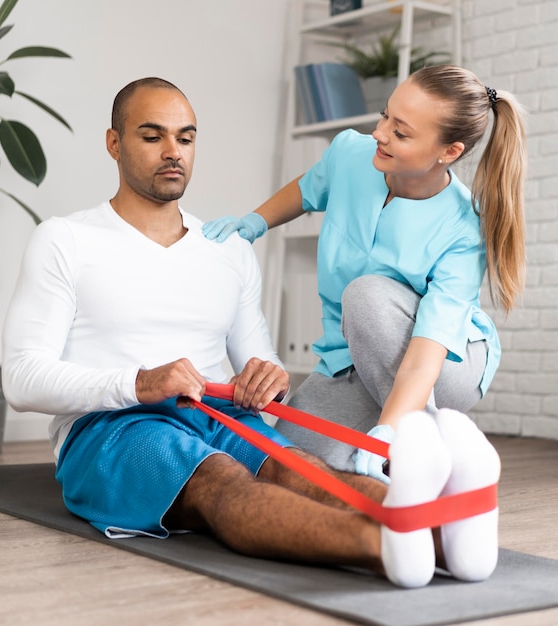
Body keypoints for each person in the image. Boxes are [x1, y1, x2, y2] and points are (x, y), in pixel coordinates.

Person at [2, 76, 501, 589]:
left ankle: (450, 536)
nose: (173, 152)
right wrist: (139, 384)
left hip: (219, 414)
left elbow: (261, 363)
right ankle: (384, 545)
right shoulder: (65, 239)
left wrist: (268, 378)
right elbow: (20, 380)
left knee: (299, 467)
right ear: (114, 143)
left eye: (186, 137)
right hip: (113, 427)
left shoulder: (225, 247)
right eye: (152, 137)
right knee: (221, 482)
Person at [203, 65, 527, 484]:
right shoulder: (352, 154)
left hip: (443, 364)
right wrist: (255, 221)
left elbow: (426, 352)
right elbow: (308, 188)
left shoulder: (463, 230)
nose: (380, 133)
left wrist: (389, 436)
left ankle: (424, 443)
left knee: (367, 295)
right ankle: (400, 437)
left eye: (402, 132)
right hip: (349, 360)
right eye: (384, 115)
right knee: (281, 466)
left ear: (448, 152)